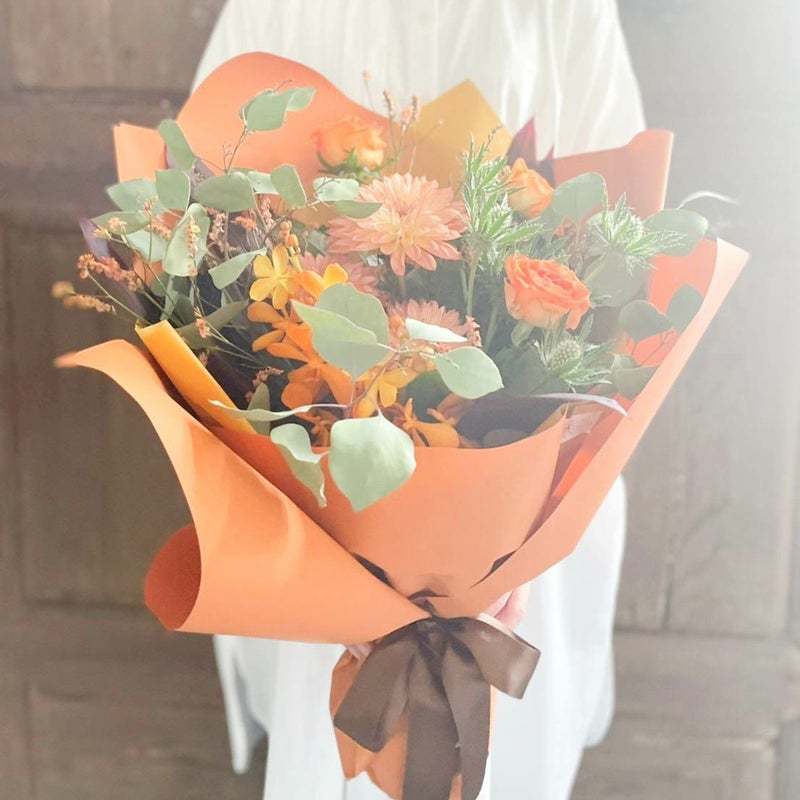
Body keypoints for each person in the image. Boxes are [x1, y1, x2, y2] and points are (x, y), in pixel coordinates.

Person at [194, 2, 642, 797]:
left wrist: (521, 539)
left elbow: (619, 264)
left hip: (524, 515)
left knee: (504, 759)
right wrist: (329, 536)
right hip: (316, 493)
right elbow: (205, 245)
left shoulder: (563, 14)